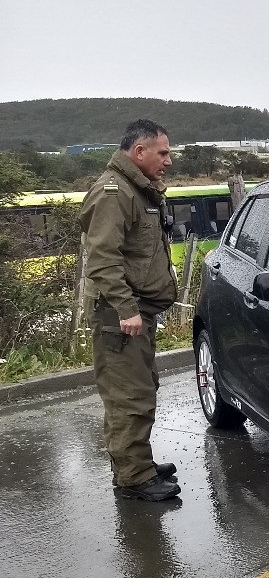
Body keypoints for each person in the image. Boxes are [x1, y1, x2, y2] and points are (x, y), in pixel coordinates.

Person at [81, 119, 180, 502]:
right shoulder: (113, 193)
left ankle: (135, 463)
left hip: (136, 310)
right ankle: (133, 479)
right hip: (119, 314)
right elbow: (102, 260)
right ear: (139, 152)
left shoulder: (137, 190)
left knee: (139, 387)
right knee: (129, 395)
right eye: (163, 152)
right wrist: (126, 309)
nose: (168, 160)